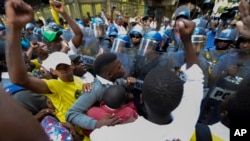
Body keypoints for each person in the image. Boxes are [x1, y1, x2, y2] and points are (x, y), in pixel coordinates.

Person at [89, 16, 204, 141]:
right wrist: (187, 40)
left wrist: (124, 124)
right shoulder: (185, 122)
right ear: (179, 102)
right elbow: (196, 77)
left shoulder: (121, 134)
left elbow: (95, 135)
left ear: (142, 98)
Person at [5, 1, 91, 138]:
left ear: (72, 65)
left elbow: (78, 35)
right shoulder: (54, 86)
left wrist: (90, 86)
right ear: (53, 71)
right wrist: (14, 28)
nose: (63, 69)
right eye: (59, 68)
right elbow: (20, 79)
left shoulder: (80, 81)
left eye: (65, 65)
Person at [66, 52, 136, 132]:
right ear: (109, 74)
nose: (123, 68)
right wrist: (96, 124)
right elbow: (71, 113)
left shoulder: (117, 80)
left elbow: (124, 86)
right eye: (119, 67)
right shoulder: (95, 90)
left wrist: (130, 85)